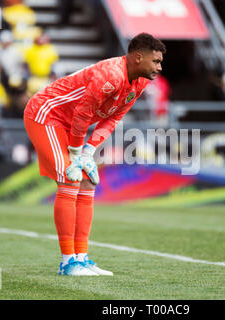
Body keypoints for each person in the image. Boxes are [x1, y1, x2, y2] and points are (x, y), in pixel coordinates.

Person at [23, 33, 166, 276]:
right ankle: (68, 263)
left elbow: (113, 118)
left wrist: (89, 151)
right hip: (46, 116)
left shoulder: (140, 82)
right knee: (70, 179)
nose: (159, 67)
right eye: (155, 61)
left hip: (68, 124)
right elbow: (81, 115)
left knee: (88, 180)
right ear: (138, 57)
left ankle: (81, 257)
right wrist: (77, 153)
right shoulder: (111, 75)